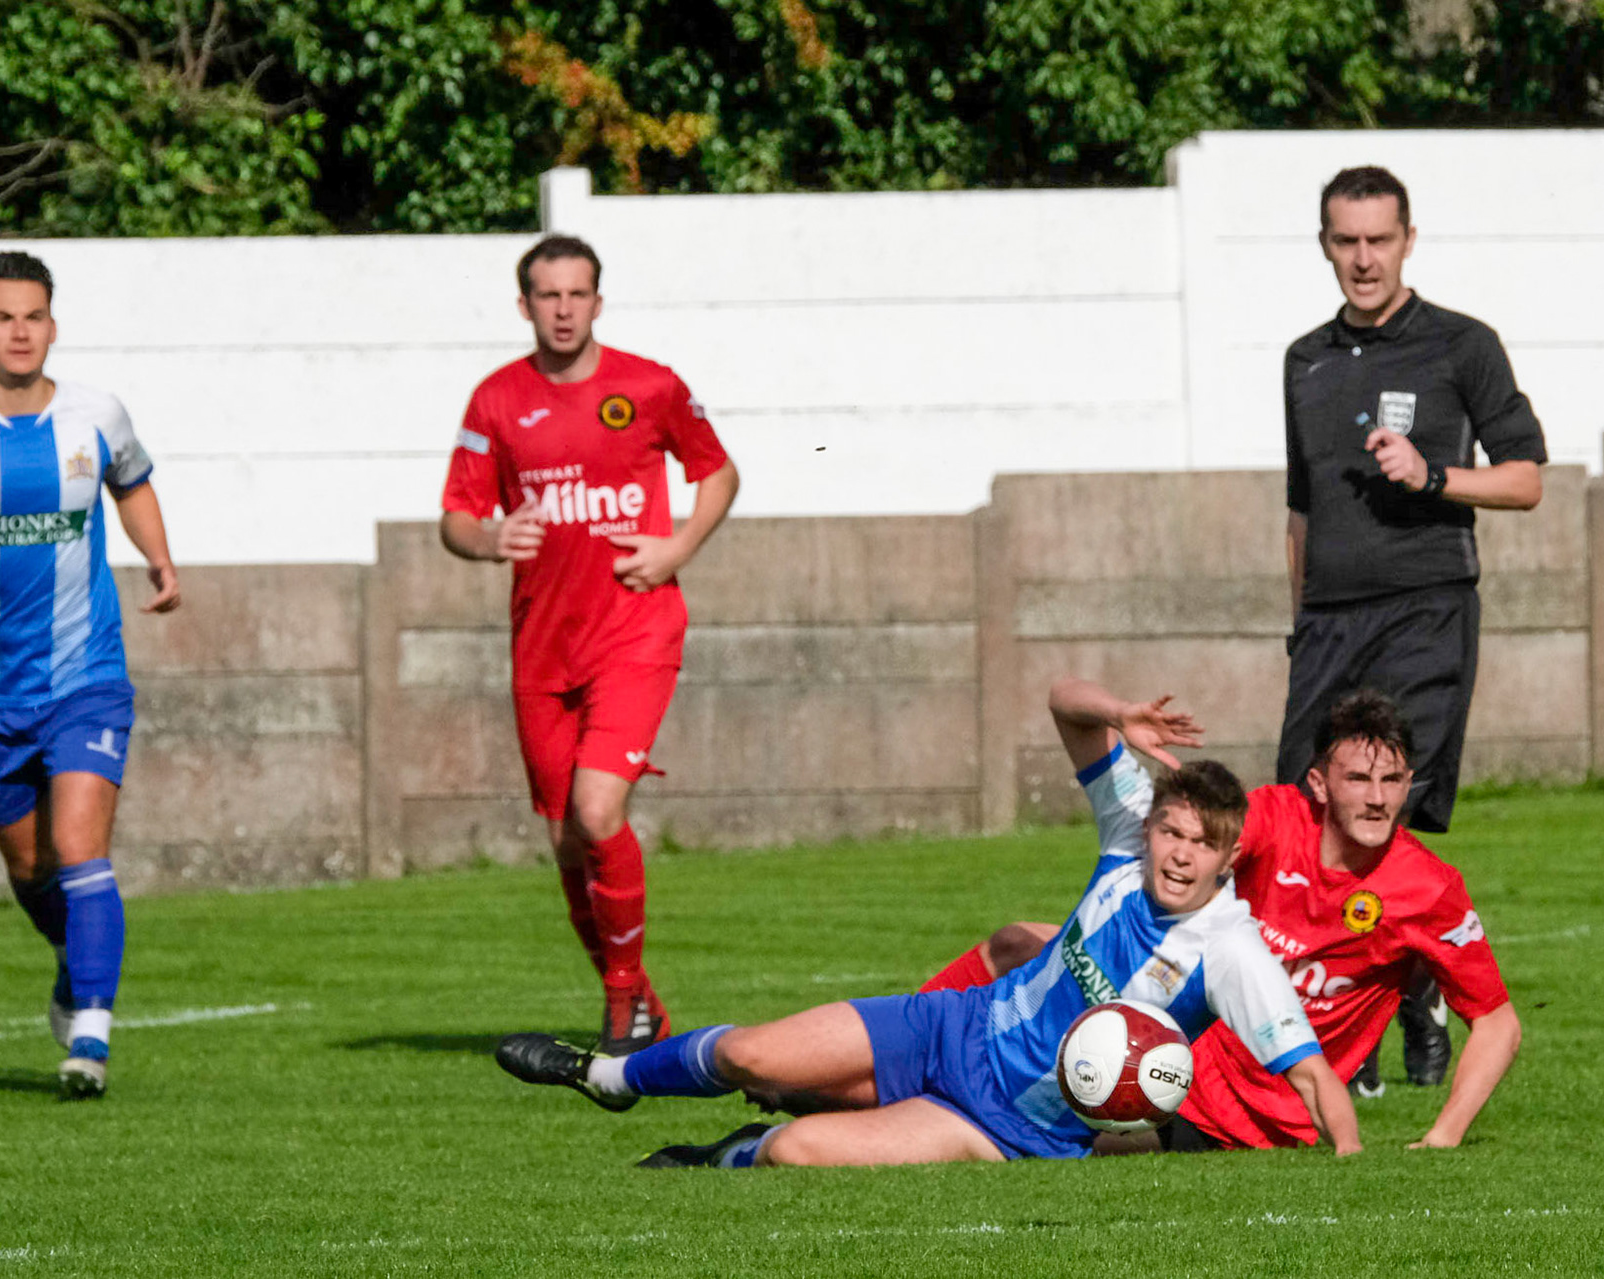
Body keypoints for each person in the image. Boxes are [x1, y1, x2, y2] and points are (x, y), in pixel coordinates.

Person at [493, 682, 1360, 1168]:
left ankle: (720, 1154)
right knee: (748, 1053)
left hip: (1003, 1127)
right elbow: (1060, 700)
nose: (1176, 854)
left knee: (794, 1151)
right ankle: (610, 1074)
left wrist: (1355, 1171)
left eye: (1200, 844)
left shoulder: (1232, 951)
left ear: (1228, 853)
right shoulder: (1129, 832)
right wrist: (1117, 715)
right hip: (952, 1022)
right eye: (1170, 832)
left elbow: (1316, 1077)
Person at [925, 684, 1522, 1154]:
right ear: (1318, 783)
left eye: (1392, 780)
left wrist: (1443, 1136)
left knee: (1002, 1125)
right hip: (1170, 1017)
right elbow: (1200, 837)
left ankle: (913, 1101)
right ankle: (921, 1033)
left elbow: (1497, 1022)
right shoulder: (1276, 818)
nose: (1376, 798)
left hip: (1236, 1109)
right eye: (1359, 778)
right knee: (1017, 942)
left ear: (1408, 784)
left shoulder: (1428, 888)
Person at [0, 251, 181, 1098]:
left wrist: (159, 559)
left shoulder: (97, 417)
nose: (21, 331)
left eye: (35, 316)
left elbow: (135, 483)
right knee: (30, 869)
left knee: (82, 849)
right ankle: (71, 961)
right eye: (4, 317)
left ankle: (91, 1032)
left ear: (53, 324)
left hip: (87, 674)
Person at [1280, 165, 1546, 1088]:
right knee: (1303, 813)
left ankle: (1404, 1003)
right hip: (1326, 625)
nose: (1363, 258)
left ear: (1407, 240)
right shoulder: (1304, 360)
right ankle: (1346, 1028)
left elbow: (1525, 478)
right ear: (1326, 244)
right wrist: (1298, 620)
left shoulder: (1461, 346)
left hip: (1429, 608)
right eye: (1346, 241)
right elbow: (1302, 514)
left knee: (1385, 807)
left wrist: (1434, 475)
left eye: (1378, 239)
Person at [440, 236, 739, 1054]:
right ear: (525, 305)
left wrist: (676, 549)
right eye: (548, 295)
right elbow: (456, 520)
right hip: (542, 648)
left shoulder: (648, 386)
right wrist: (490, 537)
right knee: (567, 843)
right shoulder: (497, 401)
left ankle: (617, 1006)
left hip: (635, 631)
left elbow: (718, 471)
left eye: (577, 294)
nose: (563, 309)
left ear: (598, 302)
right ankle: (639, 999)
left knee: (597, 809)